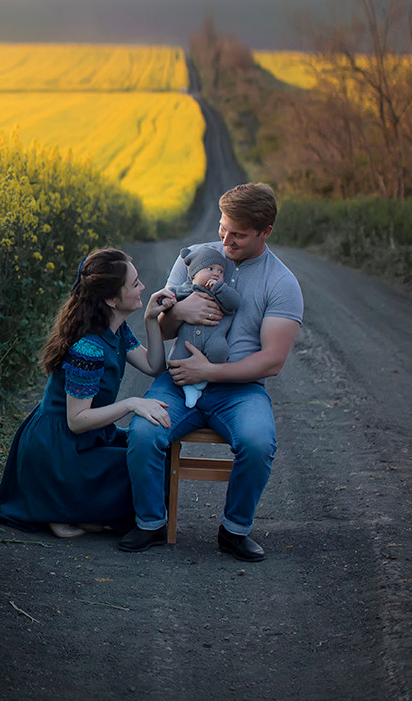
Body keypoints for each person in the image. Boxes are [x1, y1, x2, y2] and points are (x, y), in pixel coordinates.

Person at [118, 183, 304, 562]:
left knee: (257, 443)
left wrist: (213, 371)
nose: (226, 240)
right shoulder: (195, 258)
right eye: (223, 228)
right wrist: (176, 313)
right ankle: (151, 523)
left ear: (265, 231)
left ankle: (234, 531)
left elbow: (272, 360)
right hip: (179, 377)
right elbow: (164, 327)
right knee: (141, 431)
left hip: (239, 389)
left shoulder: (282, 283)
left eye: (238, 234)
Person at [0, 248, 175, 538]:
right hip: (59, 450)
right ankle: (59, 507)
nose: (143, 287)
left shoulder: (115, 329)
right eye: (135, 284)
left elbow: (154, 365)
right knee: (139, 466)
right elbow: (76, 420)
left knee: (153, 453)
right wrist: (132, 403)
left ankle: (79, 509)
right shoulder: (88, 348)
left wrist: (152, 321)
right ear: (111, 299)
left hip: (85, 439)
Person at [167, 246, 240, 408]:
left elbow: (234, 303)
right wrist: (166, 302)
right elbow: (169, 298)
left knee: (219, 351)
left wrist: (219, 288)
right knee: (175, 360)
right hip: (188, 341)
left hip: (214, 336)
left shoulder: (221, 292)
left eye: (221, 271)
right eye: (210, 268)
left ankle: (204, 381)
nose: (216, 273)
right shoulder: (186, 290)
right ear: (193, 274)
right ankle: (188, 387)